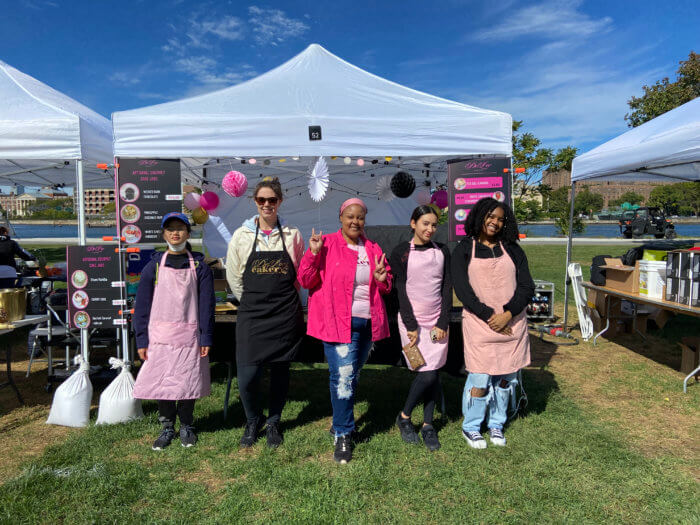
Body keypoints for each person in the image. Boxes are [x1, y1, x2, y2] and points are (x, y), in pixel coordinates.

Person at [298, 198, 392, 464]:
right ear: (341, 217)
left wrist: (383, 280)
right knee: (343, 378)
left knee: (351, 375)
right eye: (350, 216)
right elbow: (305, 280)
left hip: (367, 323)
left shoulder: (372, 247)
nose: (355, 222)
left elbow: (386, 284)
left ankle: (340, 420)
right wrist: (313, 253)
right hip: (339, 323)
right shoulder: (325, 243)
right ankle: (342, 432)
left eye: (360, 217)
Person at [225, 177, 305, 449]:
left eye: (272, 200)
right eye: (262, 200)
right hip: (253, 313)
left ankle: (274, 421)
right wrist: (251, 300)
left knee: (280, 373)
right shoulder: (241, 235)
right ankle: (252, 419)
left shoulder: (293, 234)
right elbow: (234, 276)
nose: (267, 204)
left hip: (283, 314)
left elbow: (298, 276)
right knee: (247, 376)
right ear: (255, 202)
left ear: (279, 202)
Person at [451, 197, 534, 449]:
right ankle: (472, 426)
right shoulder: (464, 249)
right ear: (479, 216)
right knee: (479, 379)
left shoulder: (513, 249)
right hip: (480, 325)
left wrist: (507, 314)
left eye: (500, 219)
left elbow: (527, 286)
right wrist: (490, 316)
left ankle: (496, 423)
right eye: (491, 217)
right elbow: (462, 290)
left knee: (506, 379)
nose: (495, 223)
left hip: (512, 325)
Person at [133, 212, 215, 450]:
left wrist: (206, 335)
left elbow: (206, 306)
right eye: (170, 229)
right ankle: (167, 425)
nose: (175, 233)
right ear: (164, 234)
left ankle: (187, 425)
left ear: (188, 234)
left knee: (187, 380)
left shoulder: (200, 267)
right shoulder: (154, 267)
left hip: (190, 335)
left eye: (180, 228)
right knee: (164, 381)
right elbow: (142, 306)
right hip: (159, 336)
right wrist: (141, 339)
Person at [389, 205, 451, 452]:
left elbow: (447, 288)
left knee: (433, 374)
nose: (430, 229)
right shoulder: (401, 252)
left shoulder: (443, 251)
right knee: (424, 373)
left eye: (434, 224)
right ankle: (404, 417)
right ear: (413, 223)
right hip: (411, 324)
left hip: (437, 323)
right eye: (425, 223)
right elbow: (400, 290)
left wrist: (443, 323)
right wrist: (411, 325)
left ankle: (427, 425)